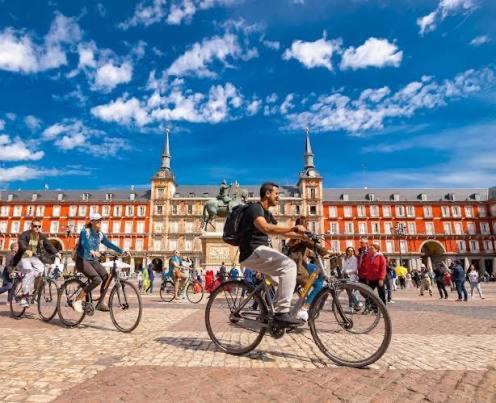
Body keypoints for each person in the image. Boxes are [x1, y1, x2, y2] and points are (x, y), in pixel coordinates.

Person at [238, 182, 308, 326]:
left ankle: (271, 315)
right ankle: (282, 313)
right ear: (267, 194)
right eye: (277, 194)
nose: (279, 198)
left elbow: (282, 232)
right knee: (289, 266)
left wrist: (305, 237)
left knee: (282, 279)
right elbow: (266, 228)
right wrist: (294, 227)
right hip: (252, 251)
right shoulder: (255, 208)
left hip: (259, 252)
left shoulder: (267, 214)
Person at [73, 213, 126, 313]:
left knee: (106, 277)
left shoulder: (100, 234)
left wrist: (121, 251)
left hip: (93, 261)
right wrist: (91, 250)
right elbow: (84, 243)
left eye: (100, 220)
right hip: (82, 260)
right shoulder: (85, 231)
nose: (99, 222)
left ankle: (100, 303)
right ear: (92, 221)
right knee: (97, 279)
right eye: (97, 220)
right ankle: (77, 300)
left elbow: (109, 244)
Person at [11, 219, 61, 308]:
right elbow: (21, 242)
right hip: (23, 257)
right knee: (30, 271)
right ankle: (24, 297)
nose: (37, 228)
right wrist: (26, 249)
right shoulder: (25, 234)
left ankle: (33, 290)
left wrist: (56, 252)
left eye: (39, 226)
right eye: (35, 226)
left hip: (34, 258)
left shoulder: (41, 236)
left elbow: (48, 244)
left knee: (42, 269)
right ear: (31, 226)